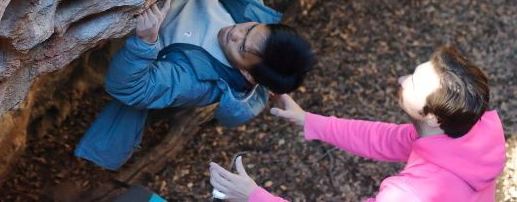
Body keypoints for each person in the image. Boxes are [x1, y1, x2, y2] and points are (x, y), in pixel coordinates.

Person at [75, 0, 315, 170]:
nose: (236, 32)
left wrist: (144, 42)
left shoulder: (201, 83)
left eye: (241, 47)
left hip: (129, 37)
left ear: (247, 74)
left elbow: (129, 87)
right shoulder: (248, 8)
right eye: (250, 28)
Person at [209, 45, 507, 202]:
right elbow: (384, 138)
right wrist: (310, 121)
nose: (402, 79)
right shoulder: (473, 133)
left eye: (414, 83)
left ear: (432, 116)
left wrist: (253, 196)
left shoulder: (407, 195)